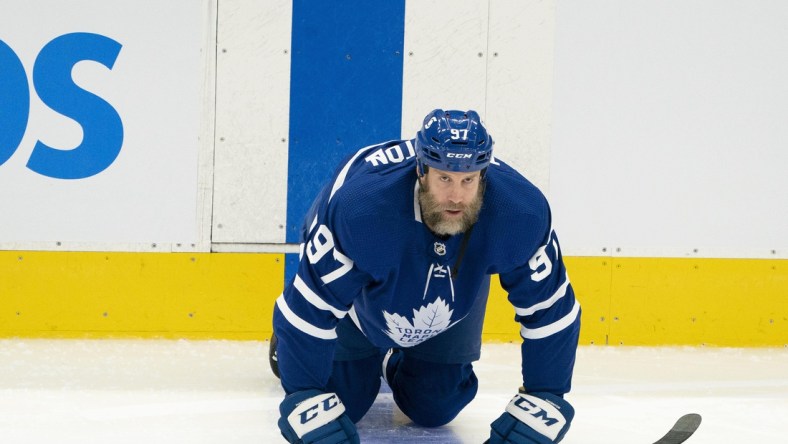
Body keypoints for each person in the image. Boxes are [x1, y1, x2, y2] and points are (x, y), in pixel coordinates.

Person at [271, 109, 581, 443]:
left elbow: (551, 309)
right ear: (421, 171)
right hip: (362, 288)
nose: (457, 196)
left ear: (483, 175)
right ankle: (301, 348)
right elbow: (308, 306)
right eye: (444, 178)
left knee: (436, 405)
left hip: (453, 290)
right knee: (347, 399)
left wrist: (545, 396)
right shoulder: (359, 209)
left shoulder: (521, 211)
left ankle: (396, 359)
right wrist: (303, 393)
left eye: (468, 180)